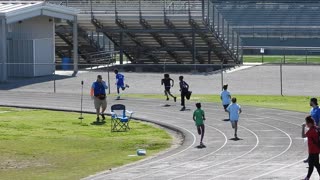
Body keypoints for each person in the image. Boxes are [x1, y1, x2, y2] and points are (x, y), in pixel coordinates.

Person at [302, 116, 320, 180]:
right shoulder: (317, 128)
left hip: (313, 150)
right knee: (312, 165)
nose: (306, 124)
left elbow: (303, 135)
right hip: (316, 149)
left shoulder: (311, 131)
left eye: (306, 123)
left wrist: (303, 127)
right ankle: (307, 177)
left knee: (316, 165)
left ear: (310, 123)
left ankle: (307, 177)